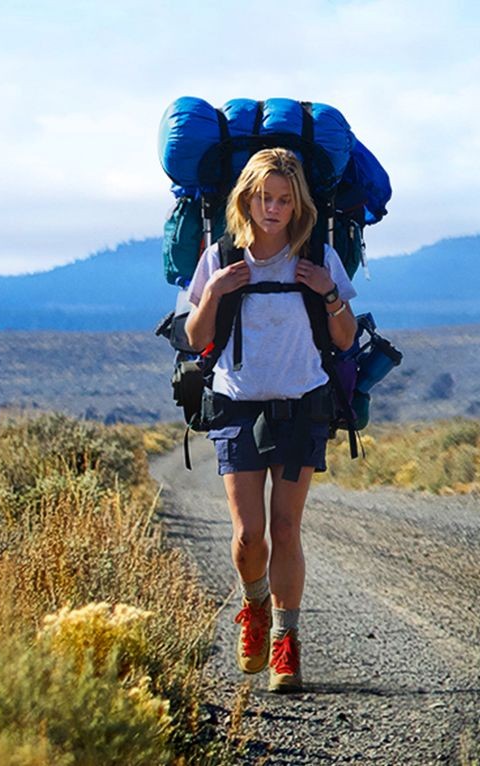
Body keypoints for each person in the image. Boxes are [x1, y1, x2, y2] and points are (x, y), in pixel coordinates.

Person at [184, 147, 357, 693]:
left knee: (285, 528)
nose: (274, 209)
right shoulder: (220, 256)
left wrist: (327, 293)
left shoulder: (318, 256)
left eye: (284, 199)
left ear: (298, 203)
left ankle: (286, 643)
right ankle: (254, 603)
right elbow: (194, 338)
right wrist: (213, 291)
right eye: (265, 198)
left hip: (302, 405)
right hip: (237, 405)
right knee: (248, 534)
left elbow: (345, 338)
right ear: (247, 198)